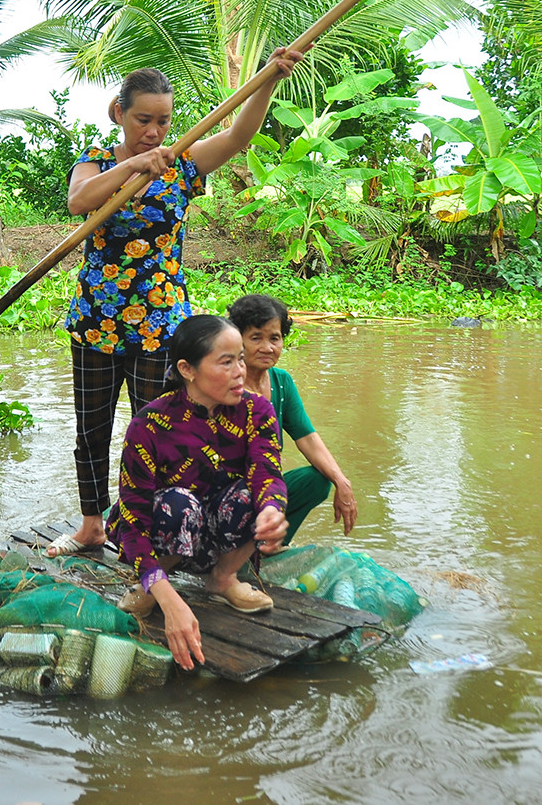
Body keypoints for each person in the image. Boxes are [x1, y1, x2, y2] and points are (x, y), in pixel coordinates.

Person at [46, 49, 305, 558]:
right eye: (143, 120)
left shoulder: (183, 162)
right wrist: (135, 165)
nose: (154, 131)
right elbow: (79, 203)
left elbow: (238, 137)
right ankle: (92, 526)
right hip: (97, 320)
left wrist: (268, 80)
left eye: (163, 121)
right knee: (91, 432)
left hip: (162, 324)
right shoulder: (97, 163)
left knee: (163, 430)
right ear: (119, 113)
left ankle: (150, 533)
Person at [104, 315, 288, 670]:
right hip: (167, 534)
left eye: (240, 358)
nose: (241, 370)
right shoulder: (149, 424)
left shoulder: (257, 411)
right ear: (187, 369)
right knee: (178, 505)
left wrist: (270, 510)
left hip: (219, 538)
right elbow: (133, 520)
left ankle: (223, 578)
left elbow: (268, 474)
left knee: (261, 498)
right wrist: (169, 600)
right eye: (226, 361)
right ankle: (152, 585)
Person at [227, 293, 357, 542]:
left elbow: (306, 436)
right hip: (227, 490)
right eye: (256, 338)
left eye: (275, 338)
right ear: (238, 340)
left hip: (265, 488)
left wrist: (342, 482)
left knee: (319, 480)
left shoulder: (281, 382)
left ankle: (271, 546)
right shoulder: (225, 383)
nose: (268, 348)